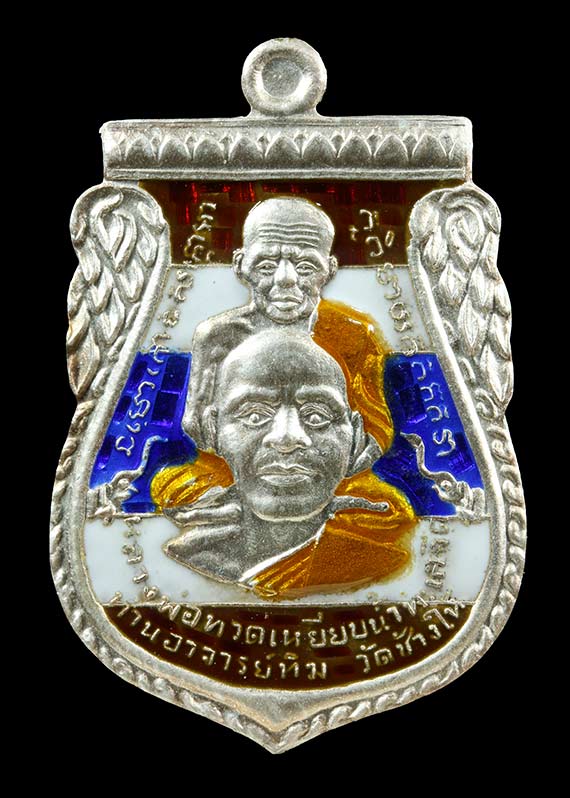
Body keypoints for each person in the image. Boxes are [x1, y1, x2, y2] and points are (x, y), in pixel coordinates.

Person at [152, 197, 396, 512]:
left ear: (330, 269)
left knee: (387, 509)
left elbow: (376, 430)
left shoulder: (354, 336)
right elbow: (198, 428)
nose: (286, 278)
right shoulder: (218, 337)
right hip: (238, 472)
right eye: (266, 265)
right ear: (241, 265)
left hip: (324, 473)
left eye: (306, 266)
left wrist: (329, 474)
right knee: (174, 493)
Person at [162, 331, 416, 598]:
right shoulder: (190, 554)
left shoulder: (380, 563)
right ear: (213, 430)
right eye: (254, 415)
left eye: (317, 416)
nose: (286, 437)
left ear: (355, 438)